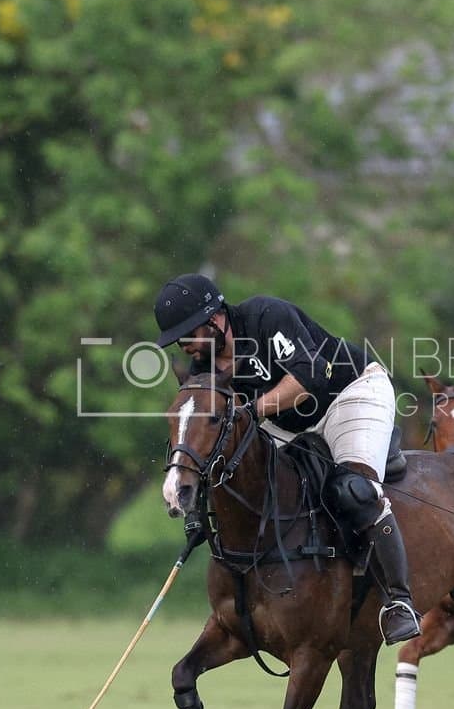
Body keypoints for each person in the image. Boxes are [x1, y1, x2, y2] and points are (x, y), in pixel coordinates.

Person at [154, 273, 422, 645]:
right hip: (285, 421)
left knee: (356, 492)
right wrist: (198, 501)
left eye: (189, 334)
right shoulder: (204, 368)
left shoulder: (266, 316)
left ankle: (398, 601)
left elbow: (307, 375)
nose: (185, 346)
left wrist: (253, 408)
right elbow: (212, 436)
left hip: (347, 394)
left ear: (214, 318)